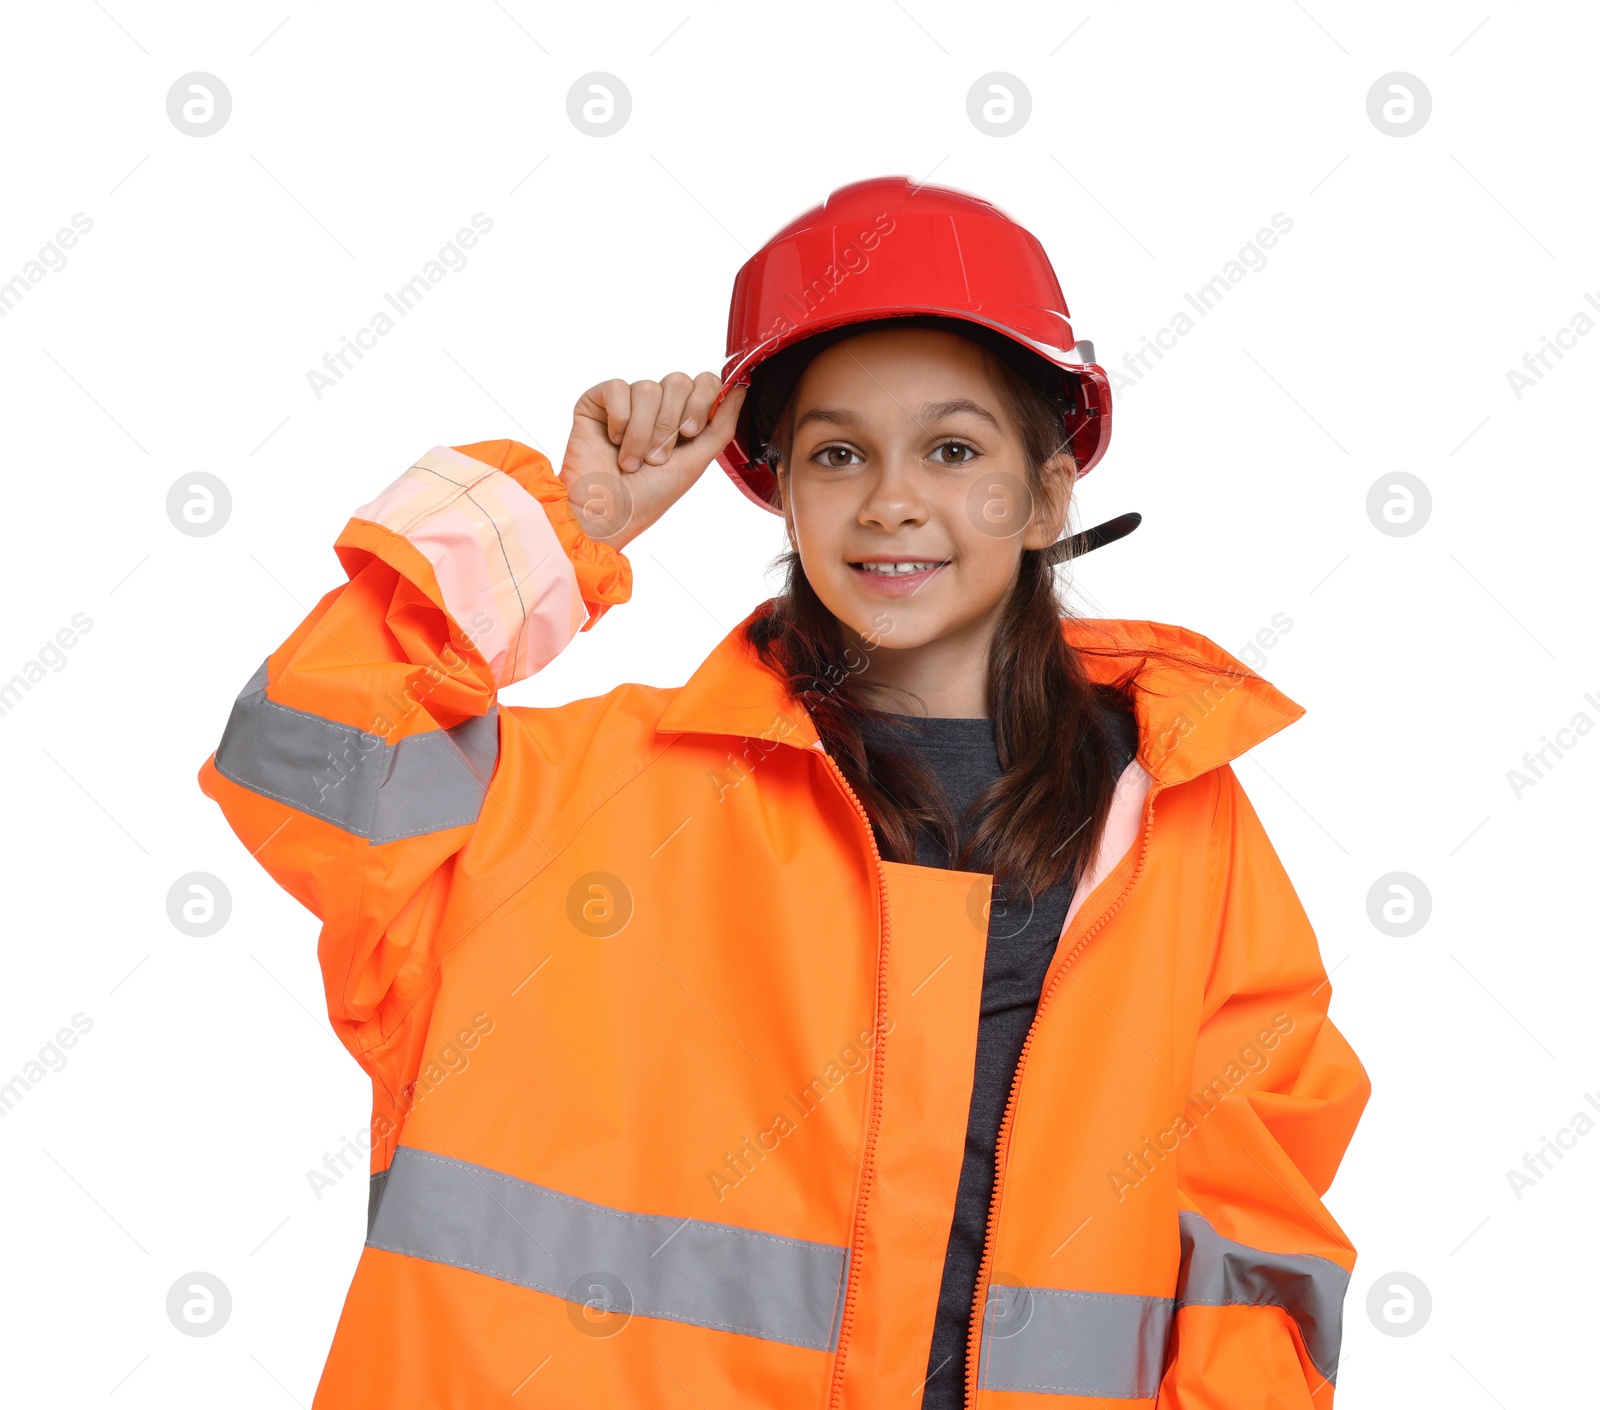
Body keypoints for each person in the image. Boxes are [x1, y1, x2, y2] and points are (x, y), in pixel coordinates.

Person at [199, 176, 1369, 1408]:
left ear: (1046, 494)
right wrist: (574, 524)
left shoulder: (1177, 821)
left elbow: (1256, 1236)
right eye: (837, 453)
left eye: (954, 449)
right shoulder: (584, 798)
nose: (891, 499)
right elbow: (307, 751)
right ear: (781, 492)